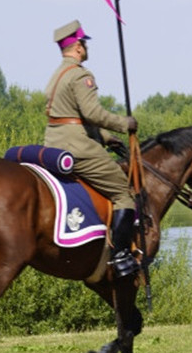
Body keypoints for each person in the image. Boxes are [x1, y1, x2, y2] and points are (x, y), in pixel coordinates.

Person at [43, 20, 141, 278]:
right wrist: (124, 124)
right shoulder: (81, 75)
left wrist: (107, 138)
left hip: (54, 142)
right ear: (77, 47)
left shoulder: (57, 75)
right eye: (84, 43)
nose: (86, 47)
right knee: (123, 193)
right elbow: (91, 113)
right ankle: (120, 256)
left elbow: (71, 115)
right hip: (77, 146)